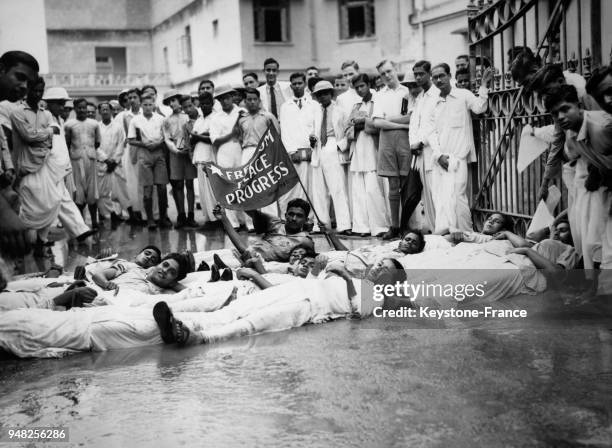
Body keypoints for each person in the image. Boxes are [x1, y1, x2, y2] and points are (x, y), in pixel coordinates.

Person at [152, 256, 408, 346]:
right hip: (299, 289)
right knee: (239, 308)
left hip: (309, 307)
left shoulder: (376, 296)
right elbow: (317, 282)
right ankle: (179, 324)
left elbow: (356, 314)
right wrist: (316, 270)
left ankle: (199, 339)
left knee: (254, 322)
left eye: (383, 268)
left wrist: (348, 280)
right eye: (378, 263)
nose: (376, 268)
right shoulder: (355, 278)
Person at [544, 84, 612, 272]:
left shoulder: (602, 125)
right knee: (594, 243)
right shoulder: (572, 135)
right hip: (606, 187)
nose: (560, 117)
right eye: (555, 114)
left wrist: (599, 174)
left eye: (565, 109)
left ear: (578, 104)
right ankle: (600, 294)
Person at [428, 63, 492, 233]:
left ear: (450, 76)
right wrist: (438, 155)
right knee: (441, 198)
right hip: (440, 159)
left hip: (458, 158)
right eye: (435, 77)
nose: (439, 79)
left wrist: (484, 86)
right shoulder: (434, 102)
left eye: (442, 75)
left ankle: (466, 233)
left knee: (458, 197)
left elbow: (480, 108)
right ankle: (445, 234)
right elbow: (431, 132)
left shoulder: (463, 95)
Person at [42, 87, 93, 242]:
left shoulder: (60, 120)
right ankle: (41, 237)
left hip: (60, 166)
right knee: (50, 202)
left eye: (63, 102)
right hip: (48, 166)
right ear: (49, 103)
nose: (62, 106)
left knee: (63, 199)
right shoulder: (45, 117)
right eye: (59, 103)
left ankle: (80, 230)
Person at [345, 73, 389, 237]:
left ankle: (379, 226)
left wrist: (363, 122)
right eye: (356, 87)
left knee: (373, 190)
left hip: (373, 148)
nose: (359, 90)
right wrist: (358, 124)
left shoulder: (377, 100)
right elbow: (347, 127)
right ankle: (362, 227)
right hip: (358, 149)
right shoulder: (356, 105)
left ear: (368, 84)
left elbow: (378, 123)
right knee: (359, 191)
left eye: (362, 86)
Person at [372, 59, 411, 240]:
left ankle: (407, 225)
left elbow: (412, 117)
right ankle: (394, 226)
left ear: (396, 69)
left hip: (405, 141)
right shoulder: (379, 94)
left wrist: (389, 120)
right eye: (383, 73)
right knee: (393, 186)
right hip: (387, 142)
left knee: (408, 184)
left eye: (389, 71)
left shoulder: (408, 91)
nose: (387, 76)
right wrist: (402, 124)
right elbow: (377, 122)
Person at [214, 198, 314, 262]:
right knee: (201, 259)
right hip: (240, 253)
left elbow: (313, 266)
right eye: (291, 214)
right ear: (285, 215)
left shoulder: (305, 240)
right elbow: (249, 210)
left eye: (299, 216)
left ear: (306, 220)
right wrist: (235, 194)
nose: (294, 218)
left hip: (259, 266)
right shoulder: (274, 222)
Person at [310, 80, 352, 235]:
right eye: (319, 94)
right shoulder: (315, 111)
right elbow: (313, 129)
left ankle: (344, 225)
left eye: (325, 93)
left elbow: (349, 130)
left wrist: (340, 146)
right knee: (319, 190)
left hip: (333, 146)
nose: (322, 97)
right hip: (319, 148)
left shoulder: (340, 110)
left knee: (338, 188)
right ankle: (321, 225)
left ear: (331, 94)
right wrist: (312, 139)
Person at [127, 95, 171, 230]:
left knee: (162, 188)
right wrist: (143, 143)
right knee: (147, 189)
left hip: (159, 154)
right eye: (144, 105)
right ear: (141, 105)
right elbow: (130, 140)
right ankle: (150, 220)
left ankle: (163, 218)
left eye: (150, 104)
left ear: (154, 105)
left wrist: (158, 142)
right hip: (144, 154)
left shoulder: (160, 119)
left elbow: (167, 137)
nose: (147, 107)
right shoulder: (135, 120)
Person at [237, 87, 280, 221]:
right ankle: (252, 222)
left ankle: (272, 221)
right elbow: (240, 138)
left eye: (255, 99)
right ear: (245, 101)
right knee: (248, 187)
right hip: (247, 151)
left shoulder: (268, 116)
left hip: (265, 151)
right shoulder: (242, 119)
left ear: (259, 100)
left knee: (266, 185)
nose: (252, 102)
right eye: (249, 100)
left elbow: (277, 136)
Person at [278, 72, 317, 216]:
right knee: (293, 189)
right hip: (293, 154)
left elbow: (315, 127)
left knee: (311, 188)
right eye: (294, 84)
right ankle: (290, 218)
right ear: (291, 86)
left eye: (300, 83)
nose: (297, 86)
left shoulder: (313, 104)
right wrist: (291, 151)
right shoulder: (285, 106)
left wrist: (313, 149)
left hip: (311, 153)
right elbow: (285, 131)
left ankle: (310, 220)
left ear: (305, 84)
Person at [209, 84, 247, 229]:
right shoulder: (216, 117)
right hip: (224, 153)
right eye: (221, 99)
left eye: (227, 97)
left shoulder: (242, 112)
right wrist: (231, 134)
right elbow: (215, 140)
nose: (225, 101)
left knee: (244, 186)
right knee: (228, 188)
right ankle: (233, 223)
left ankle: (247, 222)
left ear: (232, 97)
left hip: (241, 151)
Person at [409, 60, 439, 232]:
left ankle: (440, 229)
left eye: (421, 74)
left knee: (436, 191)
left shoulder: (436, 95)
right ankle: (432, 228)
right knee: (425, 193)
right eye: (416, 74)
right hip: (419, 152)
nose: (418, 77)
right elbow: (414, 124)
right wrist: (413, 142)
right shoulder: (420, 97)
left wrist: (422, 141)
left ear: (429, 74)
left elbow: (434, 123)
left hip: (431, 149)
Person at [64, 98, 103, 228]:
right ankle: (81, 224)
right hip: (76, 160)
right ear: (75, 109)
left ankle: (94, 221)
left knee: (92, 191)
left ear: (87, 108)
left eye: (84, 107)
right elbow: (67, 143)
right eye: (79, 108)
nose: (82, 110)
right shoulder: (69, 124)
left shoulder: (94, 124)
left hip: (91, 159)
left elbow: (97, 142)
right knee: (78, 192)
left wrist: (90, 152)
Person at [162, 90, 197, 228]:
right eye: (169, 101)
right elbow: (167, 138)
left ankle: (191, 215)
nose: (172, 104)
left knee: (189, 184)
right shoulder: (167, 120)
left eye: (174, 100)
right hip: (175, 154)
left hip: (188, 153)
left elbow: (194, 132)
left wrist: (189, 148)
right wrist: (175, 150)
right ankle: (181, 215)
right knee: (178, 185)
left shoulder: (187, 116)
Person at [97, 102, 129, 227]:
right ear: (99, 112)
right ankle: (106, 215)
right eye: (102, 110)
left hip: (115, 164)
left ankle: (118, 213)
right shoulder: (97, 127)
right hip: (102, 163)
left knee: (118, 191)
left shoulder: (118, 127)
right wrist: (106, 159)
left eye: (107, 109)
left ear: (111, 111)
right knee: (103, 192)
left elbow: (121, 144)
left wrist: (114, 160)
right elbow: (95, 145)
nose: (105, 112)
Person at [190, 92, 218, 227]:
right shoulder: (200, 119)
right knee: (202, 192)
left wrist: (199, 136)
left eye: (207, 103)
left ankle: (215, 220)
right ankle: (208, 219)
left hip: (210, 158)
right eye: (202, 104)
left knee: (211, 192)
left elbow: (213, 138)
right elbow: (192, 137)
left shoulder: (216, 117)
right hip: (199, 157)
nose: (205, 106)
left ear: (212, 104)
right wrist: (201, 136)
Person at [178, 95, 199, 228]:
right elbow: (187, 144)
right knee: (189, 185)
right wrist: (192, 159)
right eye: (185, 107)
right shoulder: (186, 125)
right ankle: (191, 215)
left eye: (190, 105)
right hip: (194, 158)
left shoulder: (203, 117)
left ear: (195, 104)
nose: (188, 109)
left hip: (208, 156)